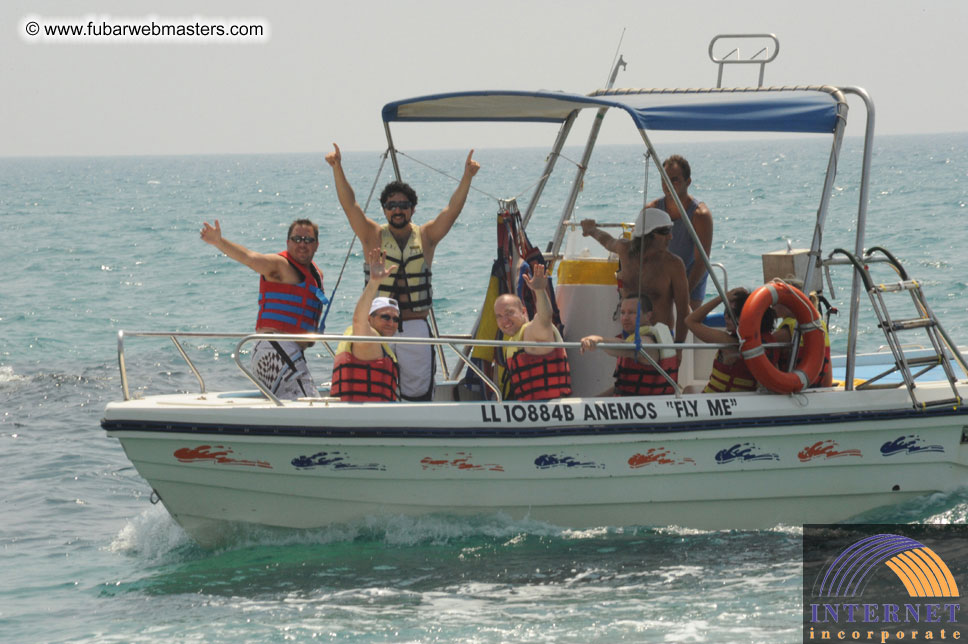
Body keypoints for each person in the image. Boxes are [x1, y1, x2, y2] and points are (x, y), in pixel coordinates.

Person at [325, 143, 480, 401]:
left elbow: (451, 211)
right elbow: (350, 205)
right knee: (376, 387)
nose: (398, 209)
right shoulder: (372, 235)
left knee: (417, 392)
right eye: (391, 205)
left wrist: (467, 177)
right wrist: (337, 168)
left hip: (414, 326)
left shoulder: (427, 236)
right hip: (376, 329)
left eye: (404, 204)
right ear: (384, 209)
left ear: (413, 208)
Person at [200, 218, 325, 400]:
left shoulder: (314, 274)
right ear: (288, 242)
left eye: (308, 240)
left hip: (287, 353)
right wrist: (219, 241)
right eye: (297, 239)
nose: (302, 244)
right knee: (310, 404)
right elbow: (249, 258)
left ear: (317, 245)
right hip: (275, 350)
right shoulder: (279, 265)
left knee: (291, 406)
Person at [581, 208, 690, 345]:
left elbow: (683, 310)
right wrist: (591, 230)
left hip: (660, 339)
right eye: (665, 232)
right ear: (648, 235)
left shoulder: (673, 265)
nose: (670, 237)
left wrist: (678, 347)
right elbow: (607, 241)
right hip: (629, 336)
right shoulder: (625, 250)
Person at [329, 248, 402, 402]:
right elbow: (358, 320)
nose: (391, 323)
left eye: (396, 319)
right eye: (385, 317)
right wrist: (374, 282)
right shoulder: (369, 339)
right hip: (364, 419)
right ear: (370, 319)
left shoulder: (381, 345)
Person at [493, 264, 572, 401]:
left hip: (552, 410)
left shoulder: (530, 331)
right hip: (529, 410)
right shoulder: (513, 342)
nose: (504, 320)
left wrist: (539, 290)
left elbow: (545, 317)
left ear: (523, 311)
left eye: (509, 313)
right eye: (499, 316)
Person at [646, 155, 713, 310]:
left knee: (683, 322)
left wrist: (682, 293)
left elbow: (701, 261)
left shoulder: (700, 215)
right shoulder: (652, 210)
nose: (668, 184)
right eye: (664, 180)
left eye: (674, 180)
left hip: (691, 279)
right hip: (661, 279)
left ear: (688, 182)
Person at [580, 295, 677, 396]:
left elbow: (627, 348)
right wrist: (591, 401)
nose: (625, 318)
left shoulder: (647, 342)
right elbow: (621, 388)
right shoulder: (633, 338)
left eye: (632, 313)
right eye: (622, 313)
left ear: (648, 316)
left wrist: (599, 340)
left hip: (643, 407)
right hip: (626, 405)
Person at [685, 287, 776, 394]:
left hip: (717, 401)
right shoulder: (768, 343)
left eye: (732, 313)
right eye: (726, 311)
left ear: (746, 317)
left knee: (687, 390)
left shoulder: (727, 341)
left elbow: (690, 321)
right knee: (688, 389)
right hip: (743, 400)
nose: (726, 316)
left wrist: (721, 298)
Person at [772, 279, 834, 388]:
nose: (772, 304)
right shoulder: (820, 326)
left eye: (777, 299)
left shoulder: (785, 333)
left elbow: (754, 349)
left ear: (789, 303)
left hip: (794, 389)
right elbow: (828, 374)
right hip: (818, 388)